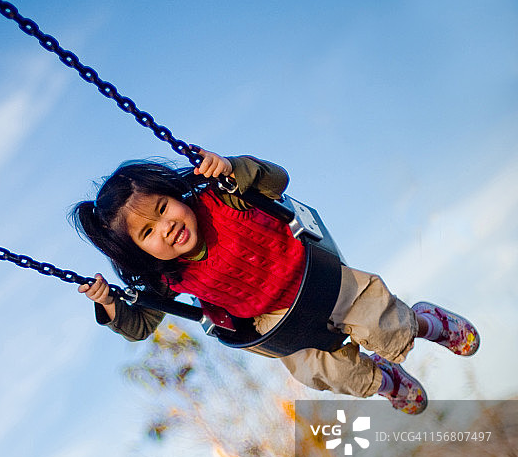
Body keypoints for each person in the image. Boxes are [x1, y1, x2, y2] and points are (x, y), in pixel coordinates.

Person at [72, 150, 480, 414]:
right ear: (140, 252)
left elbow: (276, 181)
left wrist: (231, 169)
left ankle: (426, 322)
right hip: (274, 322)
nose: (166, 227)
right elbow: (141, 325)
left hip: (313, 274)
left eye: (163, 208)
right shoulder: (168, 276)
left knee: (383, 323)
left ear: (176, 195)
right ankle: (386, 381)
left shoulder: (220, 196)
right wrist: (108, 303)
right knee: (332, 374)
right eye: (148, 233)